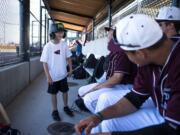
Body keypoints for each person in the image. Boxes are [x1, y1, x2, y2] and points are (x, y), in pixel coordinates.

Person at [75, 14, 180, 135]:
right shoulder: (149, 59)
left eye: (126, 53)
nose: (127, 57)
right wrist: (98, 117)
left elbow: (172, 130)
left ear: (141, 53)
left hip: (173, 126)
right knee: (109, 122)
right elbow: (135, 99)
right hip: (162, 113)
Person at [78, 26, 137, 113]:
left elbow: (116, 79)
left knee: (88, 99)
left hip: (124, 86)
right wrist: (98, 85)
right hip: (113, 84)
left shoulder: (123, 52)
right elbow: (107, 75)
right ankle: (100, 113)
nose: (108, 37)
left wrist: (95, 89)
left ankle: (102, 119)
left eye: (111, 34)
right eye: (108, 34)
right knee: (81, 90)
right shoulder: (113, 52)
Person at [40, 23, 74, 121]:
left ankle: (66, 106)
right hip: (53, 76)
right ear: (52, 33)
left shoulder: (64, 45)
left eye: (62, 32)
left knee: (65, 92)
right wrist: (48, 77)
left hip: (63, 75)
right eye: (58, 32)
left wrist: (70, 69)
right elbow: (44, 63)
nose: (60, 34)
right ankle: (54, 110)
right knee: (53, 93)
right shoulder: (48, 46)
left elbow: (68, 57)